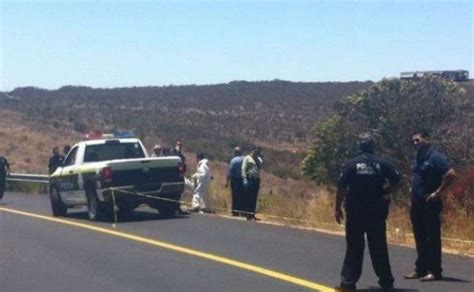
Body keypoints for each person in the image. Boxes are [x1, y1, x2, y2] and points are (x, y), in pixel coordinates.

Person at [334, 134, 401, 291]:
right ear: (373, 146)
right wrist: (385, 192)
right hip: (377, 211)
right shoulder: (384, 164)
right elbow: (397, 182)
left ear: (360, 146)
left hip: (355, 211)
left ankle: (348, 283)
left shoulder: (351, 164)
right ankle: (386, 282)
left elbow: (342, 187)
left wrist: (337, 208)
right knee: (379, 247)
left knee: (354, 247)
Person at [404, 130, 457, 282]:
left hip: (430, 202)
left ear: (426, 139)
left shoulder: (436, 157)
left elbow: (451, 174)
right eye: (413, 141)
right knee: (419, 236)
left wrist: (438, 192)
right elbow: (416, 176)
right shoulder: (417, 157)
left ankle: (434, 271)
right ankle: (420, 269)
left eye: (418, 140)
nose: (415, 143)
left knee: (431, 237)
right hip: (416, 202)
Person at [241, 146, 263, 221]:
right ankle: (248, 215)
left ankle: (252, 214)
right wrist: (244, 179)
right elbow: (243, 168)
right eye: (256, 151)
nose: (257, 153)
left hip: (256, 180)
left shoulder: (259, 160)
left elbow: (260, 168)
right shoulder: (247, 158)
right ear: (252, 150)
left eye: (258, 152)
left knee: (254, 198)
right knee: (249, 197)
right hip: (249, 179)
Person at [226, 147, 244, 216]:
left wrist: (227, 182)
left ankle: (235, 212)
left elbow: (230, 172)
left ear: (235, 152)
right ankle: (242, 212)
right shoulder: (245, 159)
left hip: (235, 180)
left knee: (235, 196)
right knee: (242, 196)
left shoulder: (234, 160)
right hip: (243, 180)